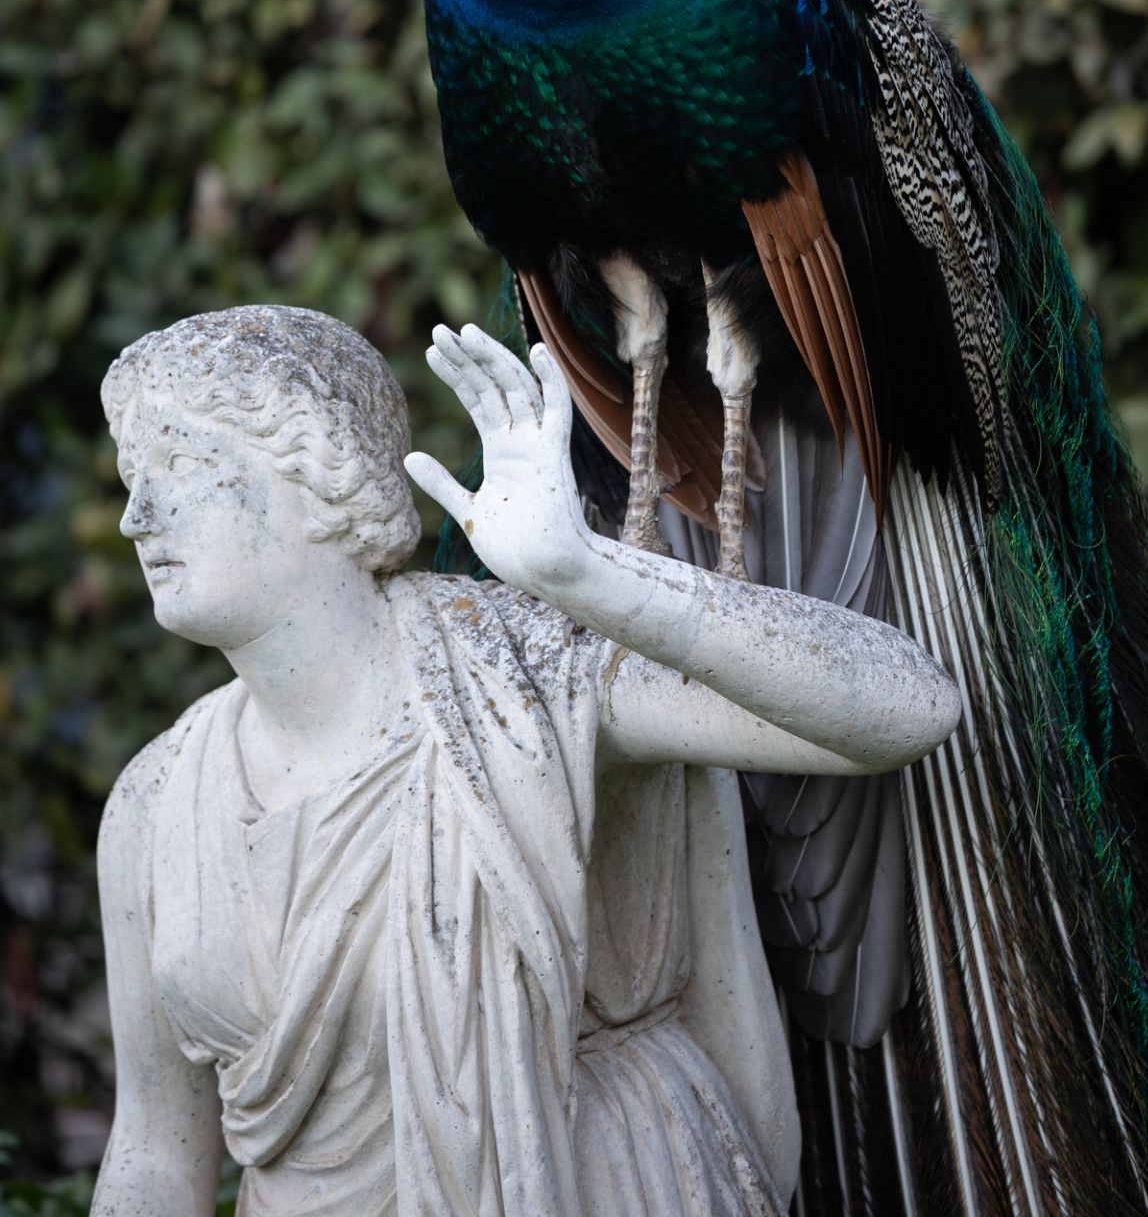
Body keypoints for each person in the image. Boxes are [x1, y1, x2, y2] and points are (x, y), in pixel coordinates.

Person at [91, 305, 959, 1217]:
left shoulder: (524, 674)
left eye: (181, 469)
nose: (135, 518)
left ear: (321, 476)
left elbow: (907, 707)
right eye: (130, 478)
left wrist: (584, 573)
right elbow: (155, 1148)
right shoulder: (154, 800)